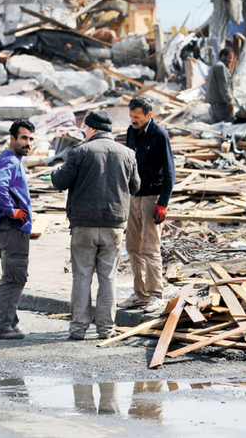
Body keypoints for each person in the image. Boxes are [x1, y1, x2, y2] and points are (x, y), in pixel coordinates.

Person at [52, 110, 140, 340]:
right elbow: (136, 186)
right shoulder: (127, 153)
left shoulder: (80, 151)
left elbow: (60, 181)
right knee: (108, 277)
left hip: (84, 224)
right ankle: (106, 329)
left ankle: (78, 329)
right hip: (114, 224)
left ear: (91, 129)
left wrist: (55, 171)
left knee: (81, 276)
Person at [118, 97, 175, 314]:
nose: (133, 120)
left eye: (137, 117)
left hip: (152, 196)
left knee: (150, 248)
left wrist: (163, 203)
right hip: (134, 195)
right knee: (133, 246)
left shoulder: (159, 135)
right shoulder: (131, 131)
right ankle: (139, 294)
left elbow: (170, 171)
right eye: (131, 116)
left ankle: (156, 295)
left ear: (148, 115)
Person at [0, 119, 35, 340]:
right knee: (14, 277)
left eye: (31, 139)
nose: (28, 143)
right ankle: (2, 327)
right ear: (12, 138)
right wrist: (10, 211)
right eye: (23, 138)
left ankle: (10, 323)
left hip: (5, 227)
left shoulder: (3, 158)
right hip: (12, 228)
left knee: (12, 275)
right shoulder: (11, 161)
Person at [206, 47, 236, 123]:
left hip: (216, 104)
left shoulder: (217, 65)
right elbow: (224, 86)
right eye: (229, 58)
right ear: (223, 56)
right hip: (220, 105)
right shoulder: (220, 67)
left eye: (232, 58)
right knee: (226, 126)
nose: (231, 60)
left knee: (217, 127)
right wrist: (230, 101)